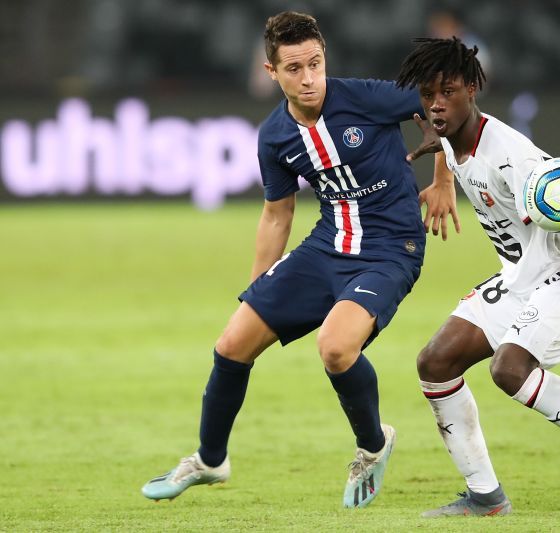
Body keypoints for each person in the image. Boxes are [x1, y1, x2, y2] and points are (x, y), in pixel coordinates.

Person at [141, 12, 458, 508]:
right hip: (326, 247)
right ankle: (209, 460)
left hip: (391, 249)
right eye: (294, 69)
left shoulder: (367, 97)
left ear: (324, 57)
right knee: (231, 344)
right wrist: (258, 292)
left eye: (315, 63)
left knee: (335, 348)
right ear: (271, 72)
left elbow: (447, 100)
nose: (308, 78)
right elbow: (276, 215)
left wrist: (443, 177)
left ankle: (374, 445)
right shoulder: (274, 136)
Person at [397, 37, 560, 519]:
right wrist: (441, 169)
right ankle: (485, 498)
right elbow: (450, 147)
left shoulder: (514, 158)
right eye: (428, 92)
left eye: (448, 91)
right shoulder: (453, 136)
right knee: (436, 362)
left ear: (472, 90)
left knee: (509, 369)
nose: (436, 103)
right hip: (523, 272)